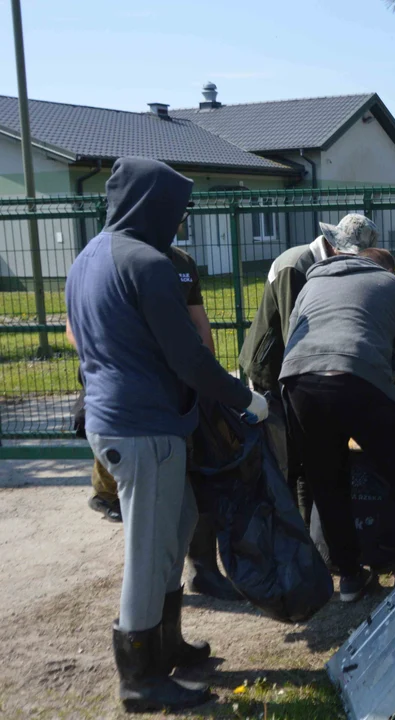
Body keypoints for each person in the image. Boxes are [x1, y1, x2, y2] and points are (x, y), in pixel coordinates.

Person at [66, 157, 268, 713]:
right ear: (153, 207)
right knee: (147, 547)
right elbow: (190, 358)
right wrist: (246, 399)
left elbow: (84, 341)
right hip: (143, 428)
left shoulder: (88, 258)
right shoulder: (148, 264)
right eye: (175, 212)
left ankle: (168, 642)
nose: (179, 225)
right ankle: (140, 678)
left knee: (176, 524)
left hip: (116, 420)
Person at [72, 246, 239, 600]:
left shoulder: (182, 262)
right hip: (138, 399)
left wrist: (209, 375)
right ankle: (148, 621)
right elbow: (76, 326)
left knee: (195, 488)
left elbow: (198, 319)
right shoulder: (109, 258)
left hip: (184, 388)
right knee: (154, 514)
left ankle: (201, 573)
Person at [280, 245, 395, 602]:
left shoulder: (311, 284)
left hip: (300, 384)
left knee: (327, 481)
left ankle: (348, 577)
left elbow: (293, 340)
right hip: (358, 379)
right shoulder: (392, 285)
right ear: (387, 268)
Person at [238, 213, 379, 522]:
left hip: (301, 377)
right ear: (336, 245)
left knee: (305, 457)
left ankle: (309, 534)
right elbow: (296, 339)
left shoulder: (328, 266)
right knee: (285, 461)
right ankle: (286, 538)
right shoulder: (297, 267)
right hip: (273, 374)